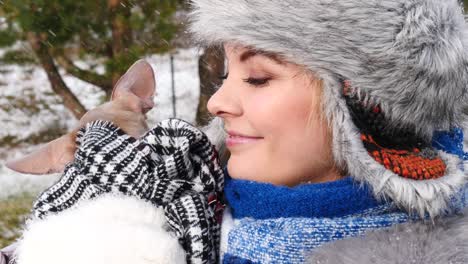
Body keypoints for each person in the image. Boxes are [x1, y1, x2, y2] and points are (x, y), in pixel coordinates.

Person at [3, 0, 468, 263]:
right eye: (226, 72)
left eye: (258, 77)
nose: (216, 102)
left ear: (365, 103)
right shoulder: (174, 203)